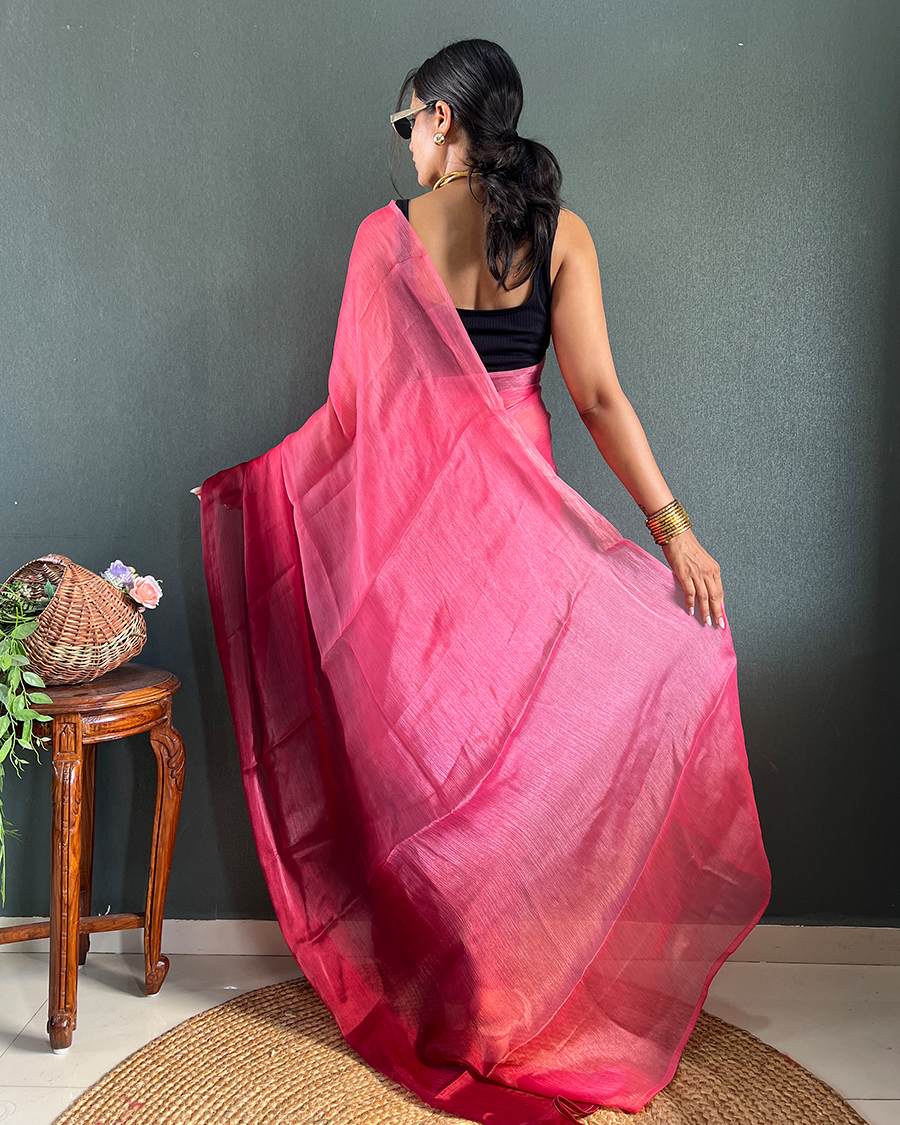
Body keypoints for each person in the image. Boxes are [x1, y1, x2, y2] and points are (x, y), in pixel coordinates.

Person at [194, 38, 770, 1125]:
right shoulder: (562, 233)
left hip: (415, 540)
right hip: (524, 536)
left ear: (445, 119)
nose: (406, 142)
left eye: (408, 121)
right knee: (520, 767)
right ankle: (514, 1001)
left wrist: (253, 493)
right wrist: (675, 532)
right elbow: (598, 397)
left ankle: (481, 1000)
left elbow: (354, 418)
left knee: (439, 773)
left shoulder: (384, 239)